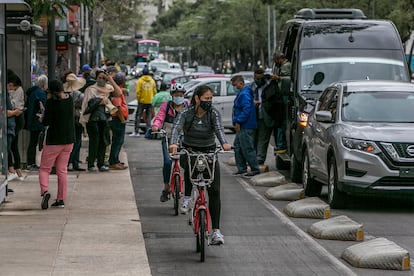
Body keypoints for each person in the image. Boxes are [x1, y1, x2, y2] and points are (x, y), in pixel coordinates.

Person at [169, 85, 232, 245]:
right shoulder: (186, 112)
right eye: (206, 99)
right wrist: (174, 143)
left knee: (215, 191)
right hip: (190, 150)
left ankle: (216, 231)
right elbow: (176, 128)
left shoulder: (213, 113)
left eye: (211, 99)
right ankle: (188, 197)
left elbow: (219, 129)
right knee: (189, 165)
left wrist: (224, 143)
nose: (209, 102)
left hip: (210, 153)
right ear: (197, 98)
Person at [39, 79, 75, 209]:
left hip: (54, 141)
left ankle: (45, 191)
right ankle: (61, 199)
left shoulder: (51, 103)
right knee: (62, 170)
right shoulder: (69, 100)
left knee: (44, 168)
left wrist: (42, 118)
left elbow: (46, 122)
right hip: (69, 140)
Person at [151, 83, 188, 202]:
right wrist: (156, 126)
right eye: (176, 95)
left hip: (184, 138)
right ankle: (166, 188)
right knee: (167, 162)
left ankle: (188, 192)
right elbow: (159, 118)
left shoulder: (188, 106)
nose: (179, 97)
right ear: (171, 95)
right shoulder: (166, 106)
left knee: (188, 163)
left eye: (181, 95)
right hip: (167, 137)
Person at [80, 69, 122, 172]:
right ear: (96, 78)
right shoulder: (91, 89)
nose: (102, 80)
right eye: (100, 78)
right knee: (94, 142)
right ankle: (91, 164)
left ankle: (101, 163)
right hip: (92, 120)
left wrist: (111, 80)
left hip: (105, 119)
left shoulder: (108, 89)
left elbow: (118, 93)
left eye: (104, 78)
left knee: (104, 141)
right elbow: (86, 106)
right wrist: (99, 102)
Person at [231, 75, 260, 177]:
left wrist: (238, 121)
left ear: (240, 83)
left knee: (247, 148)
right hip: (244, 125)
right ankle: (242, 168)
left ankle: (255, 169)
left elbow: (246, 110)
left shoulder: (244, 94)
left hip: (246, 125)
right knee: (238, 147)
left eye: (235, 85)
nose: (235, 87)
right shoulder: (243, 93)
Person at [251, 69, 279, 165]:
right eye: (256, 78)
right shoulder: (251, 87)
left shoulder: (268, 87)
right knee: (253, 138)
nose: (258, 80)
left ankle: (260, 158)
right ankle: (253, 157)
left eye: (260, 78)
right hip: (253, 117)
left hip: (265, 116)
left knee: (263, 139)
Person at [63, 72, 87, 171]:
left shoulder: (64, 93)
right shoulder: (79, 95)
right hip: (76, 120)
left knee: (72, 143)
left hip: (67, 120)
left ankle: (71, 162)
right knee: (77, 142)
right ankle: (73, 162)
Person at [24, 74, 48, 172]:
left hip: (32, 120)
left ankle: (31, 162)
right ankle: (31, 163)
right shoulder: (40, 94)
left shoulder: (33, 92)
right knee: (35, 142)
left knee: (32, 142)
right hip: (37, 121)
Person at [7, 71, 25, 181]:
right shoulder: (14, 89)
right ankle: (16, 169)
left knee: (11, 144)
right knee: (12, 144)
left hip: (16, 118)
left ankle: (13, 168)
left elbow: (14, 105)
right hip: (14, 116)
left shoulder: (18, 90)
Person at [108, 72, 129, 170]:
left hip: (119, 119)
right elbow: (118, 107)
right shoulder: (117, 92)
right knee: (117, 141)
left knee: (119, 141)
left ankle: (115, 160)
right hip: (117, 119)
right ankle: (113, 161)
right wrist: (122, 119)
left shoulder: (119, 90)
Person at [271, 51, 291, 154]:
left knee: (282, 121)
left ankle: (281, 145)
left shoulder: (286, 66)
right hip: (280, 96)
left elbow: (289, 79)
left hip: (284, 95)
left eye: (276, 61)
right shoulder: (281, 66)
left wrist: (278, 78)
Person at [130, 67, 157, 137]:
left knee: (138, 116)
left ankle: (136, 132)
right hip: (150, 101)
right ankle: (147, 132)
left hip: (141, 101)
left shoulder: (140, 81)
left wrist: (139, 99)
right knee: (148, 117)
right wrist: (152, 99)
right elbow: (154, 91)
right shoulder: (152, 81)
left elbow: (138, 91)